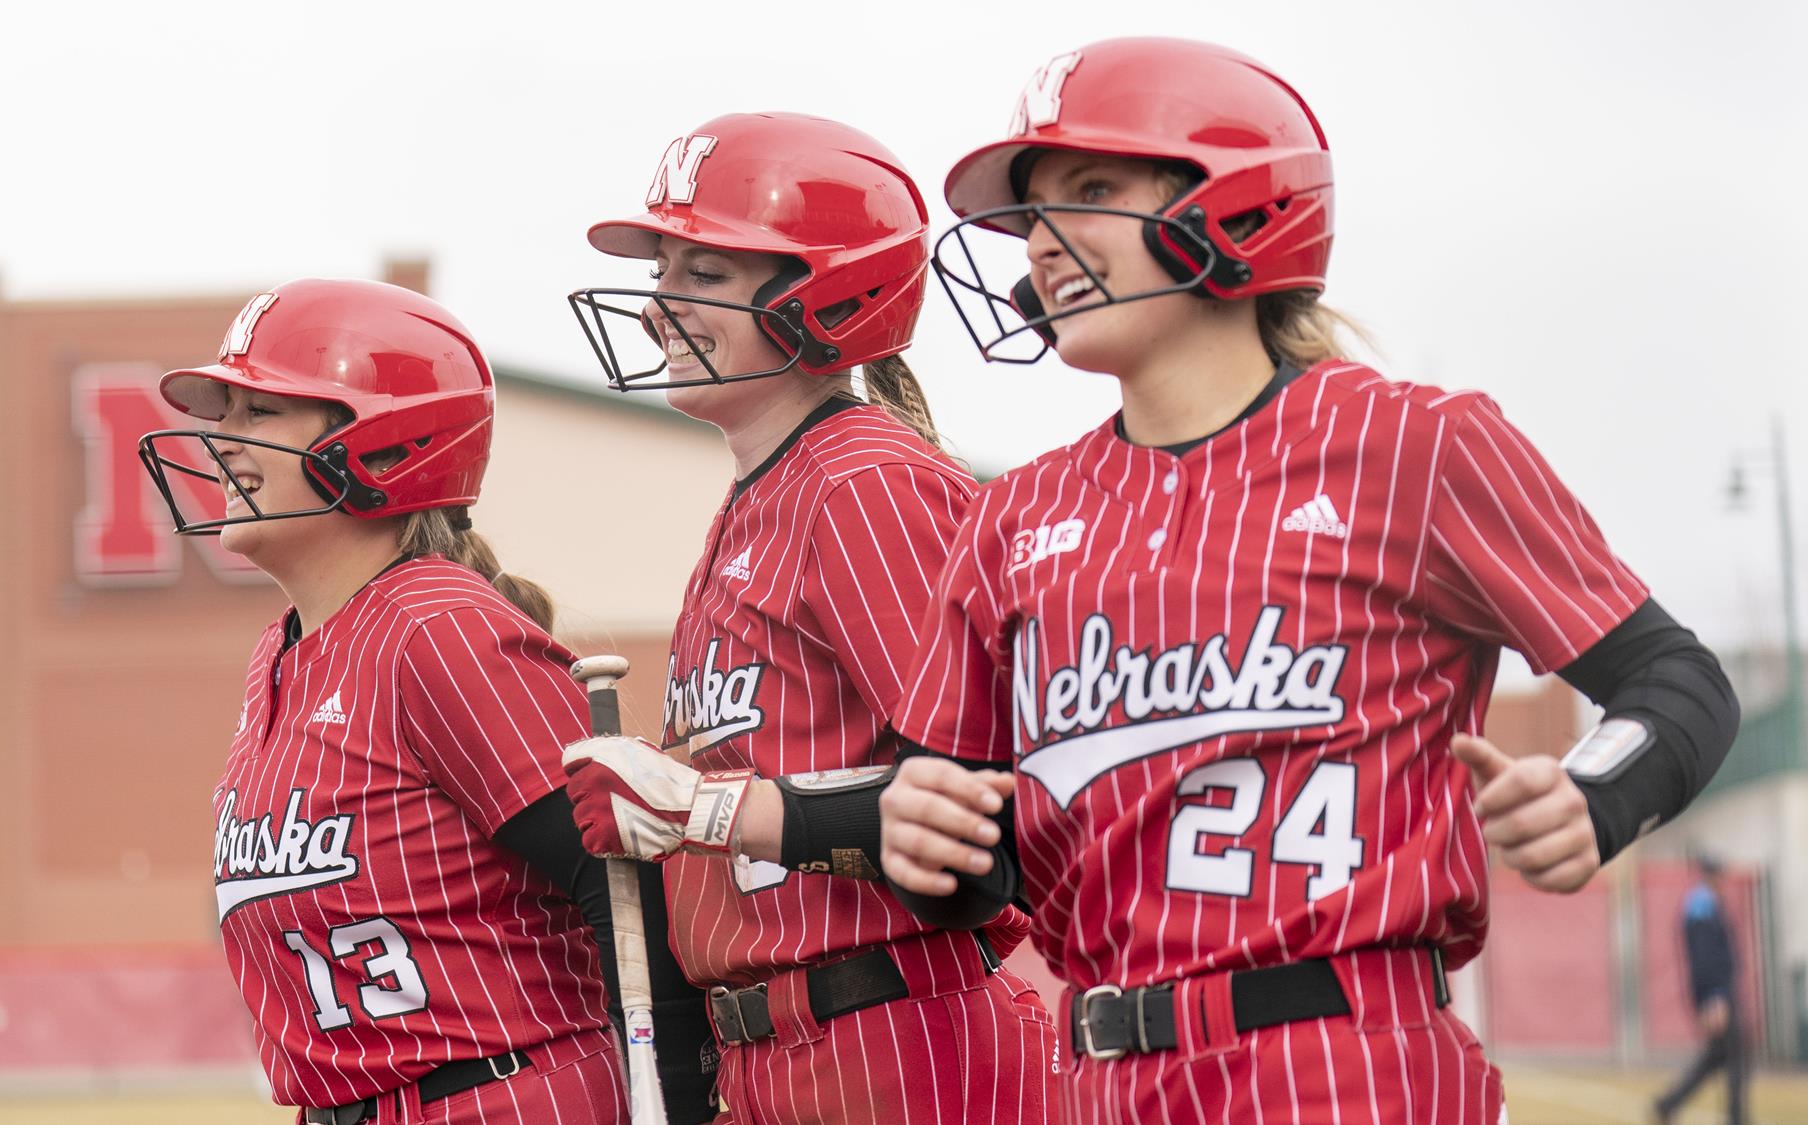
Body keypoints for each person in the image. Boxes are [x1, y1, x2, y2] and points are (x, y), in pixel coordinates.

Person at [875, 37, 1742, 1124]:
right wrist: (916, 833)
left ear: (1233, 206)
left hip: (1343, 1065)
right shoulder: (1011, 515)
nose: (1039, 246)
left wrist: (1594, 793)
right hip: (1098, 1075)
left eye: (1088, 191)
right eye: (1029, 216)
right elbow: (966, 853)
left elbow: (1673, 677)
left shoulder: (1408, 444)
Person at [561, 112, 1060, 1124]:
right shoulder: (759, 498)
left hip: (896, 1037)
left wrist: (703, 809)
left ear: (820, 295)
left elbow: (988, 807)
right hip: (784, 1051)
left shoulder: (863, 481)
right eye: (663, 273)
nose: (659, 307)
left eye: (700, 273)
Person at [139, 278, 711, 1124]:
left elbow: (633, 887)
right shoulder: (282, 648)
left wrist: (681, 1102)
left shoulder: (437, 626)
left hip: (504, 1097)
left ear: (378, 442)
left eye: (257, 413)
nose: (220, 441)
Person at [1655, 854, 1747, 1124]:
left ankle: (1668, 1103)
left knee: (1717, 1057)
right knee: (1735, 1058)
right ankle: (1736, 1118)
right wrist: (1714, 998)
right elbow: (1705, 958)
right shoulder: (1702, 906)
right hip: (1717, 994)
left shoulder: (1702, 904)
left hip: (1717, 992)